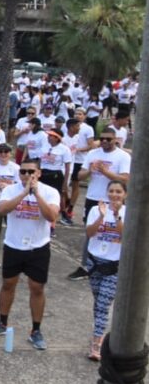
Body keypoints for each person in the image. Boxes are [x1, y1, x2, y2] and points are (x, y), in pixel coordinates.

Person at [0, 158, 61, 350]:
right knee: (8, 284)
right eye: (23, 172)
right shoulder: (10, 190)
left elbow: (51, 216)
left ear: (39, 173)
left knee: (37, 288)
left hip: (38, 247)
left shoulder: (50, 192)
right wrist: (25, 192)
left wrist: (36, 194)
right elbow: (2, 210)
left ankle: (36, 330)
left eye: (30, 172)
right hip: (14, 245)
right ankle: (2, 322)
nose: (26, 175)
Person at [70, 127, 131, 280]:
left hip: (114, 200)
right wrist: (91, 170)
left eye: (108, 139)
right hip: (93, 198)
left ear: (115, 139)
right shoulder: (92, 153)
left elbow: (124, 179)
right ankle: (87, 265)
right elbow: (80, 176)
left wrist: (105, 171)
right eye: (102, 138)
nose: (104, 141)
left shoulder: (123, 156)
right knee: (90, 232)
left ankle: (114, 264)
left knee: (115, 232)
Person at [84, 180, 126, 361]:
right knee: (97, 301)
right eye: (111, 191)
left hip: (114, 265)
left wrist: (116, 215)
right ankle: (99, 331)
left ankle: (96, 344)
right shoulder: (96, 209)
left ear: (125, 194)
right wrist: (101, 217)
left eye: (118, 191)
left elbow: (125, 236)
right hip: (94, 262)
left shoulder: (128, 212)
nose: (114, 195)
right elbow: (89, 233)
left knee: (103, 305)